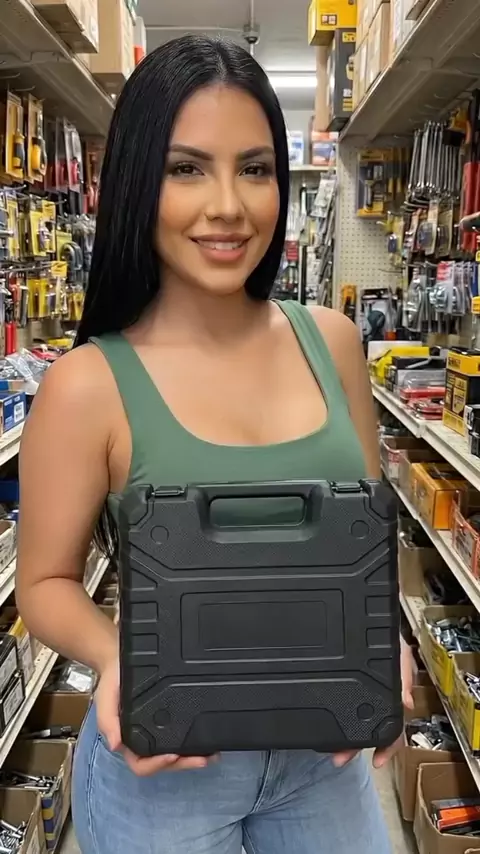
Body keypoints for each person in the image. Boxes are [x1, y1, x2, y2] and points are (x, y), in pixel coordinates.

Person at [17, 35, 414, 854]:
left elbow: (363, 540)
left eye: (255, 168)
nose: (229, 206)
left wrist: (387, 641)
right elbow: (44, 584)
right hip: (165, 768)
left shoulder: (334, 343)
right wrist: (116, 656)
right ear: (137, 182)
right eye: (186, 169)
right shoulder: (87, 385)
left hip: (323, 757)